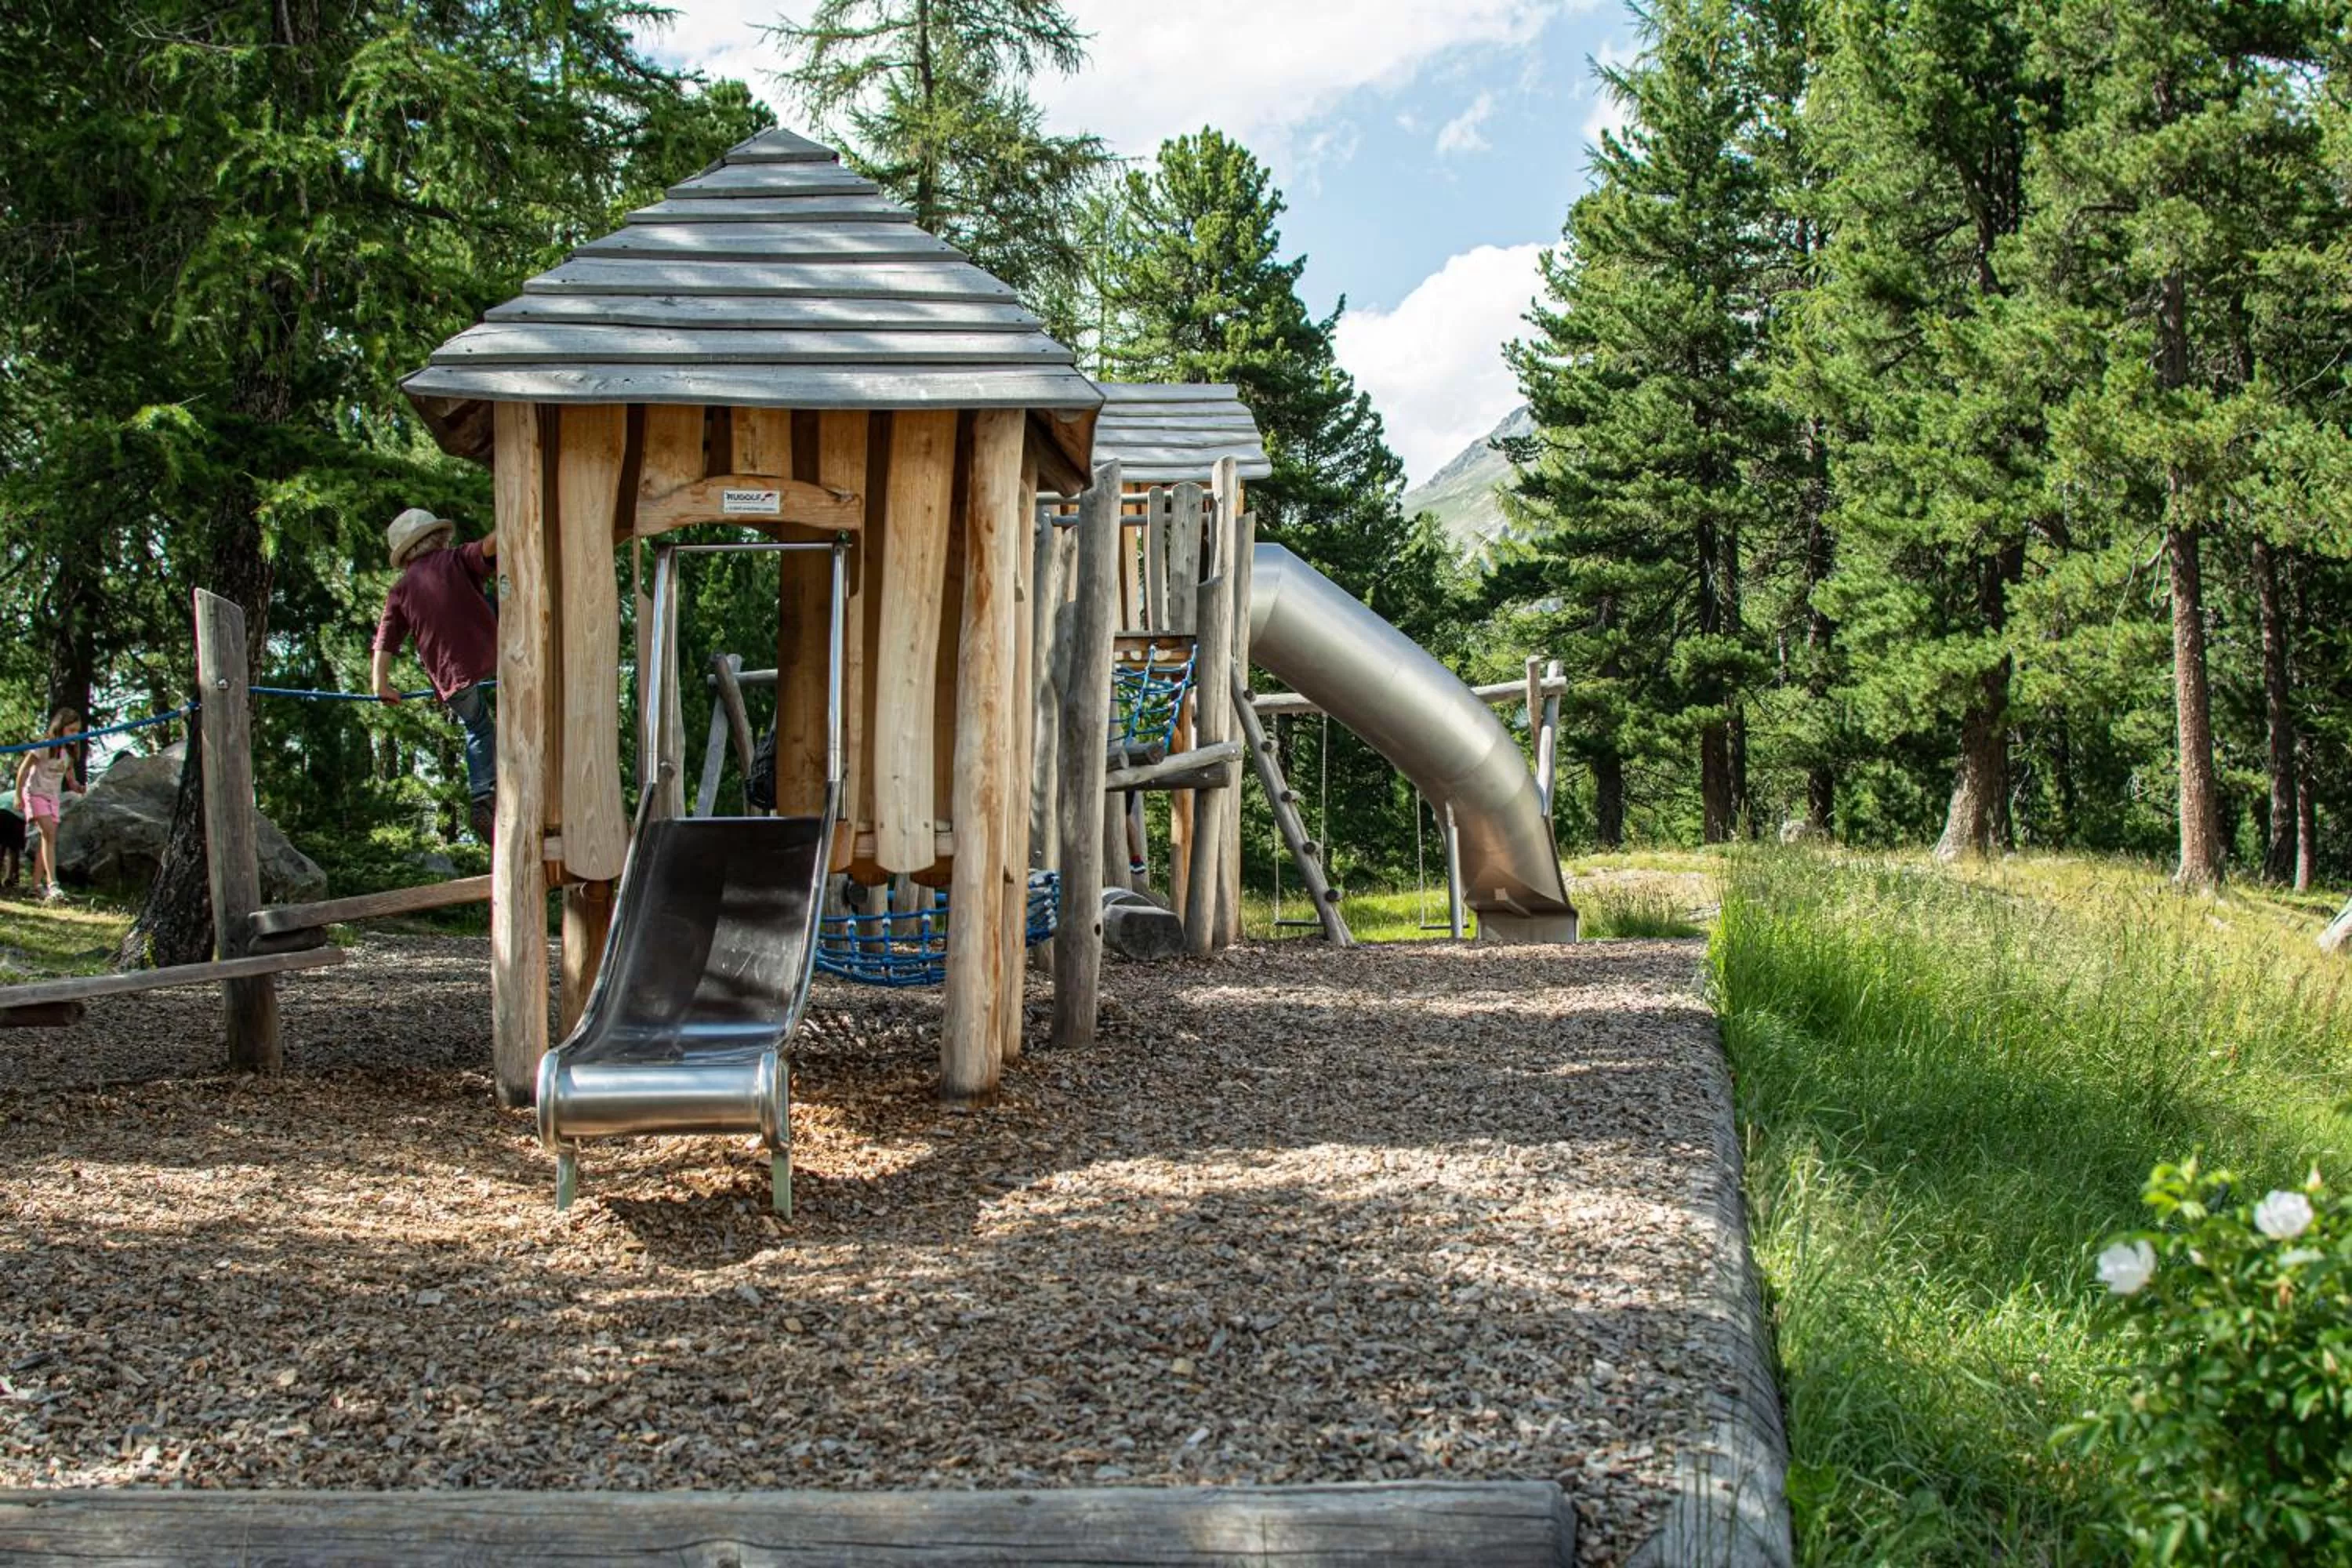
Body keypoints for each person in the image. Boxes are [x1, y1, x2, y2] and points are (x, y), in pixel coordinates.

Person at [372, 507, 499, 843]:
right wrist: (520, 518)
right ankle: (486, 791)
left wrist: (380, 683)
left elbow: (385, 638)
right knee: (501, 594)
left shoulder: (400, 591)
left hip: (450, 676)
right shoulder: (456, 560)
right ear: (439, 537)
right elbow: (488, 547)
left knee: (476, 725)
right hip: (489, 654)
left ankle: (483, 793)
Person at [14, 710, 84, 901]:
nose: (75, 735)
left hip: (53, 799)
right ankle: (53, 884)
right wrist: (18, 795)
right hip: (35, 794)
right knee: (50, 834)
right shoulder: (45, 746)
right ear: (60, 729)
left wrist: (78, 787)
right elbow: (23, 769)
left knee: (47, 839)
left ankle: (36, 886)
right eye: (71, 730)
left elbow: (70, 778)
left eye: (78, 731)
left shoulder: (68, 753)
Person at [0, 782, 24, 892]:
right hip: (13, 814)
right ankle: (11, 877)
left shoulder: (12, 792)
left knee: (3, 846)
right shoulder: (36, 793)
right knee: (13, 847)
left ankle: (11, 877)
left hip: (3, 808)